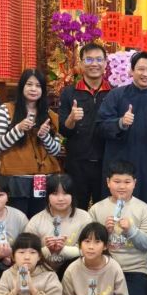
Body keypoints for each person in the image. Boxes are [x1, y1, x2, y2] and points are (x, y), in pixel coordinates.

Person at [97, 51, 147, 205]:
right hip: (118, 164)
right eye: (141, 69)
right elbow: (100, 126)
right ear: (131, 71)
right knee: (116, 209)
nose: (145, 74)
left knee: (145, 207)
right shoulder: (116, 95)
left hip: (146, 164)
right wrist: (120, 123)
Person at [88, 160, 147, 295]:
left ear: (134, 183)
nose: (122, 186)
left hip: (134, 270)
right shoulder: (96, 209)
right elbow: (87, 246)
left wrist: (131, 230)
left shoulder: (143, 208)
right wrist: (103, 233)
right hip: (104, 268)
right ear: (108, 182)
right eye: (117, 181)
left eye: (127, 182)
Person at [0, 69, 62, 218]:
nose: (33, 89)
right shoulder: (5, 110)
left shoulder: (51, 115)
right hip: (15, 178)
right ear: (21, 86)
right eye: (29, 84)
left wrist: (44, 136)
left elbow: (56, 151)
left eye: (38, 86)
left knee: (39, 220)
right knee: (16, 220)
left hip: (42, 178)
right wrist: (18, 128)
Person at [59, 42, 112, 210]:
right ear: (81, 63)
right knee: (76, 210)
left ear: (105, 63)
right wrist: (71, 119)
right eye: (89, 60)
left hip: (106, 163)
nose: (94, 64)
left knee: (104, 211)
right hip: (77, 163)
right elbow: (63, 130)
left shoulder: (114, 93)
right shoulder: (69, 92)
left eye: (99, 59)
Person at [24, 174, 94, 275]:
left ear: (72, 195)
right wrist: (48, 250)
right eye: (55, 194)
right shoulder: (36, 220)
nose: (60, 198)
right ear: (48, 196)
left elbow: (91, 249)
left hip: (76, 272)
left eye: (65, 193)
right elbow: (26, 253)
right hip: (42, 274)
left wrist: (63, 250)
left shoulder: (84, 217)